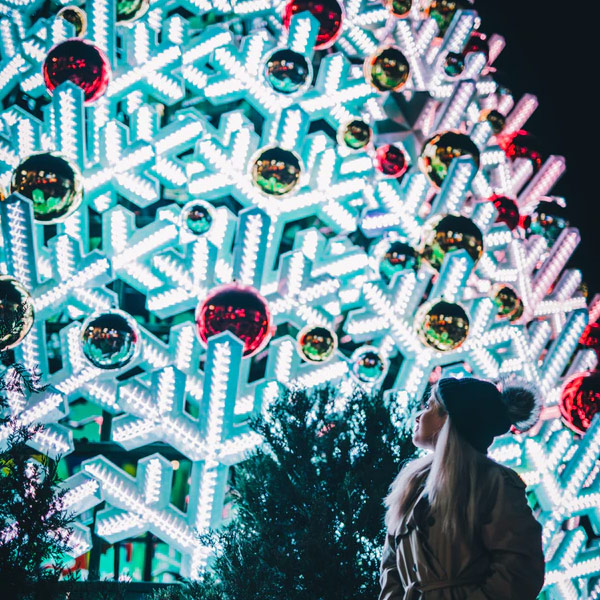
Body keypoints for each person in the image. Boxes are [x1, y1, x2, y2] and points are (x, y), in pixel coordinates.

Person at [379, 376, 545, 600]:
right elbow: (391, 567)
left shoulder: (494, 482)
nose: (418, 416)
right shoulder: (411, 486)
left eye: (429, 406)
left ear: (449, 419)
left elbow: (520, 568)